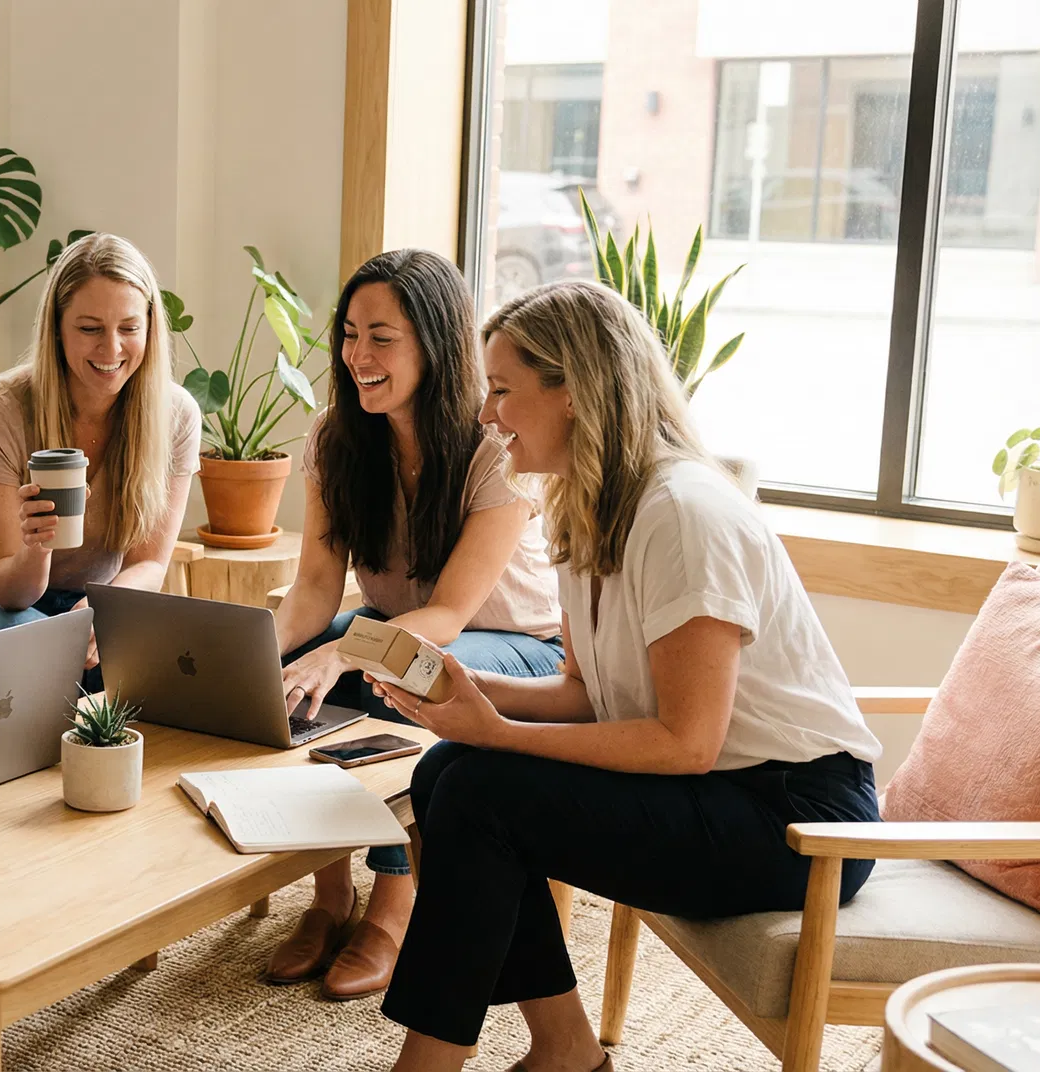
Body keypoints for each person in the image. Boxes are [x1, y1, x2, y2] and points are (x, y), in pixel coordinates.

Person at [372, 280, 882, 1072]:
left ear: (572, 392)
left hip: (800, 819)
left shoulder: (683, 513)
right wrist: (465, 689)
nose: (484, 416)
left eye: (502, 391)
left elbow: (686, 743)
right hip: (725, 787)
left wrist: (502, 736)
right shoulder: (589, 504)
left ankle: (429, 1066)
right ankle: (566, 1053)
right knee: (445, 773)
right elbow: (584, 692)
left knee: (480, 791)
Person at [266, 249, 563, 1001]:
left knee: (385, 668)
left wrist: (345, 648)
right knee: (299, 669)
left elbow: (451, 614)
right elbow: (311, 589)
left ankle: (394, 903)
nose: (359, 355)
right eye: (350, 334)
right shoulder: (337, 437)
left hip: (518, 646)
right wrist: (266, 660)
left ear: (434, 342)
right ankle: (329, 896)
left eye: (382, 337)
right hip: (403, 626)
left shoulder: (494, 447)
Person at [0, 232, 199, 683]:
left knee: (175, 669)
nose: (112, 349)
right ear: (57, 328)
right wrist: (37, 545)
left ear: (150, 328)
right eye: (89, 329)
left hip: (98, 596)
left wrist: (105, 608)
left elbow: (148, 564)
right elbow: (10, 590)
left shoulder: (175, 414)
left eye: (129, 328)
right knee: (45, 650)